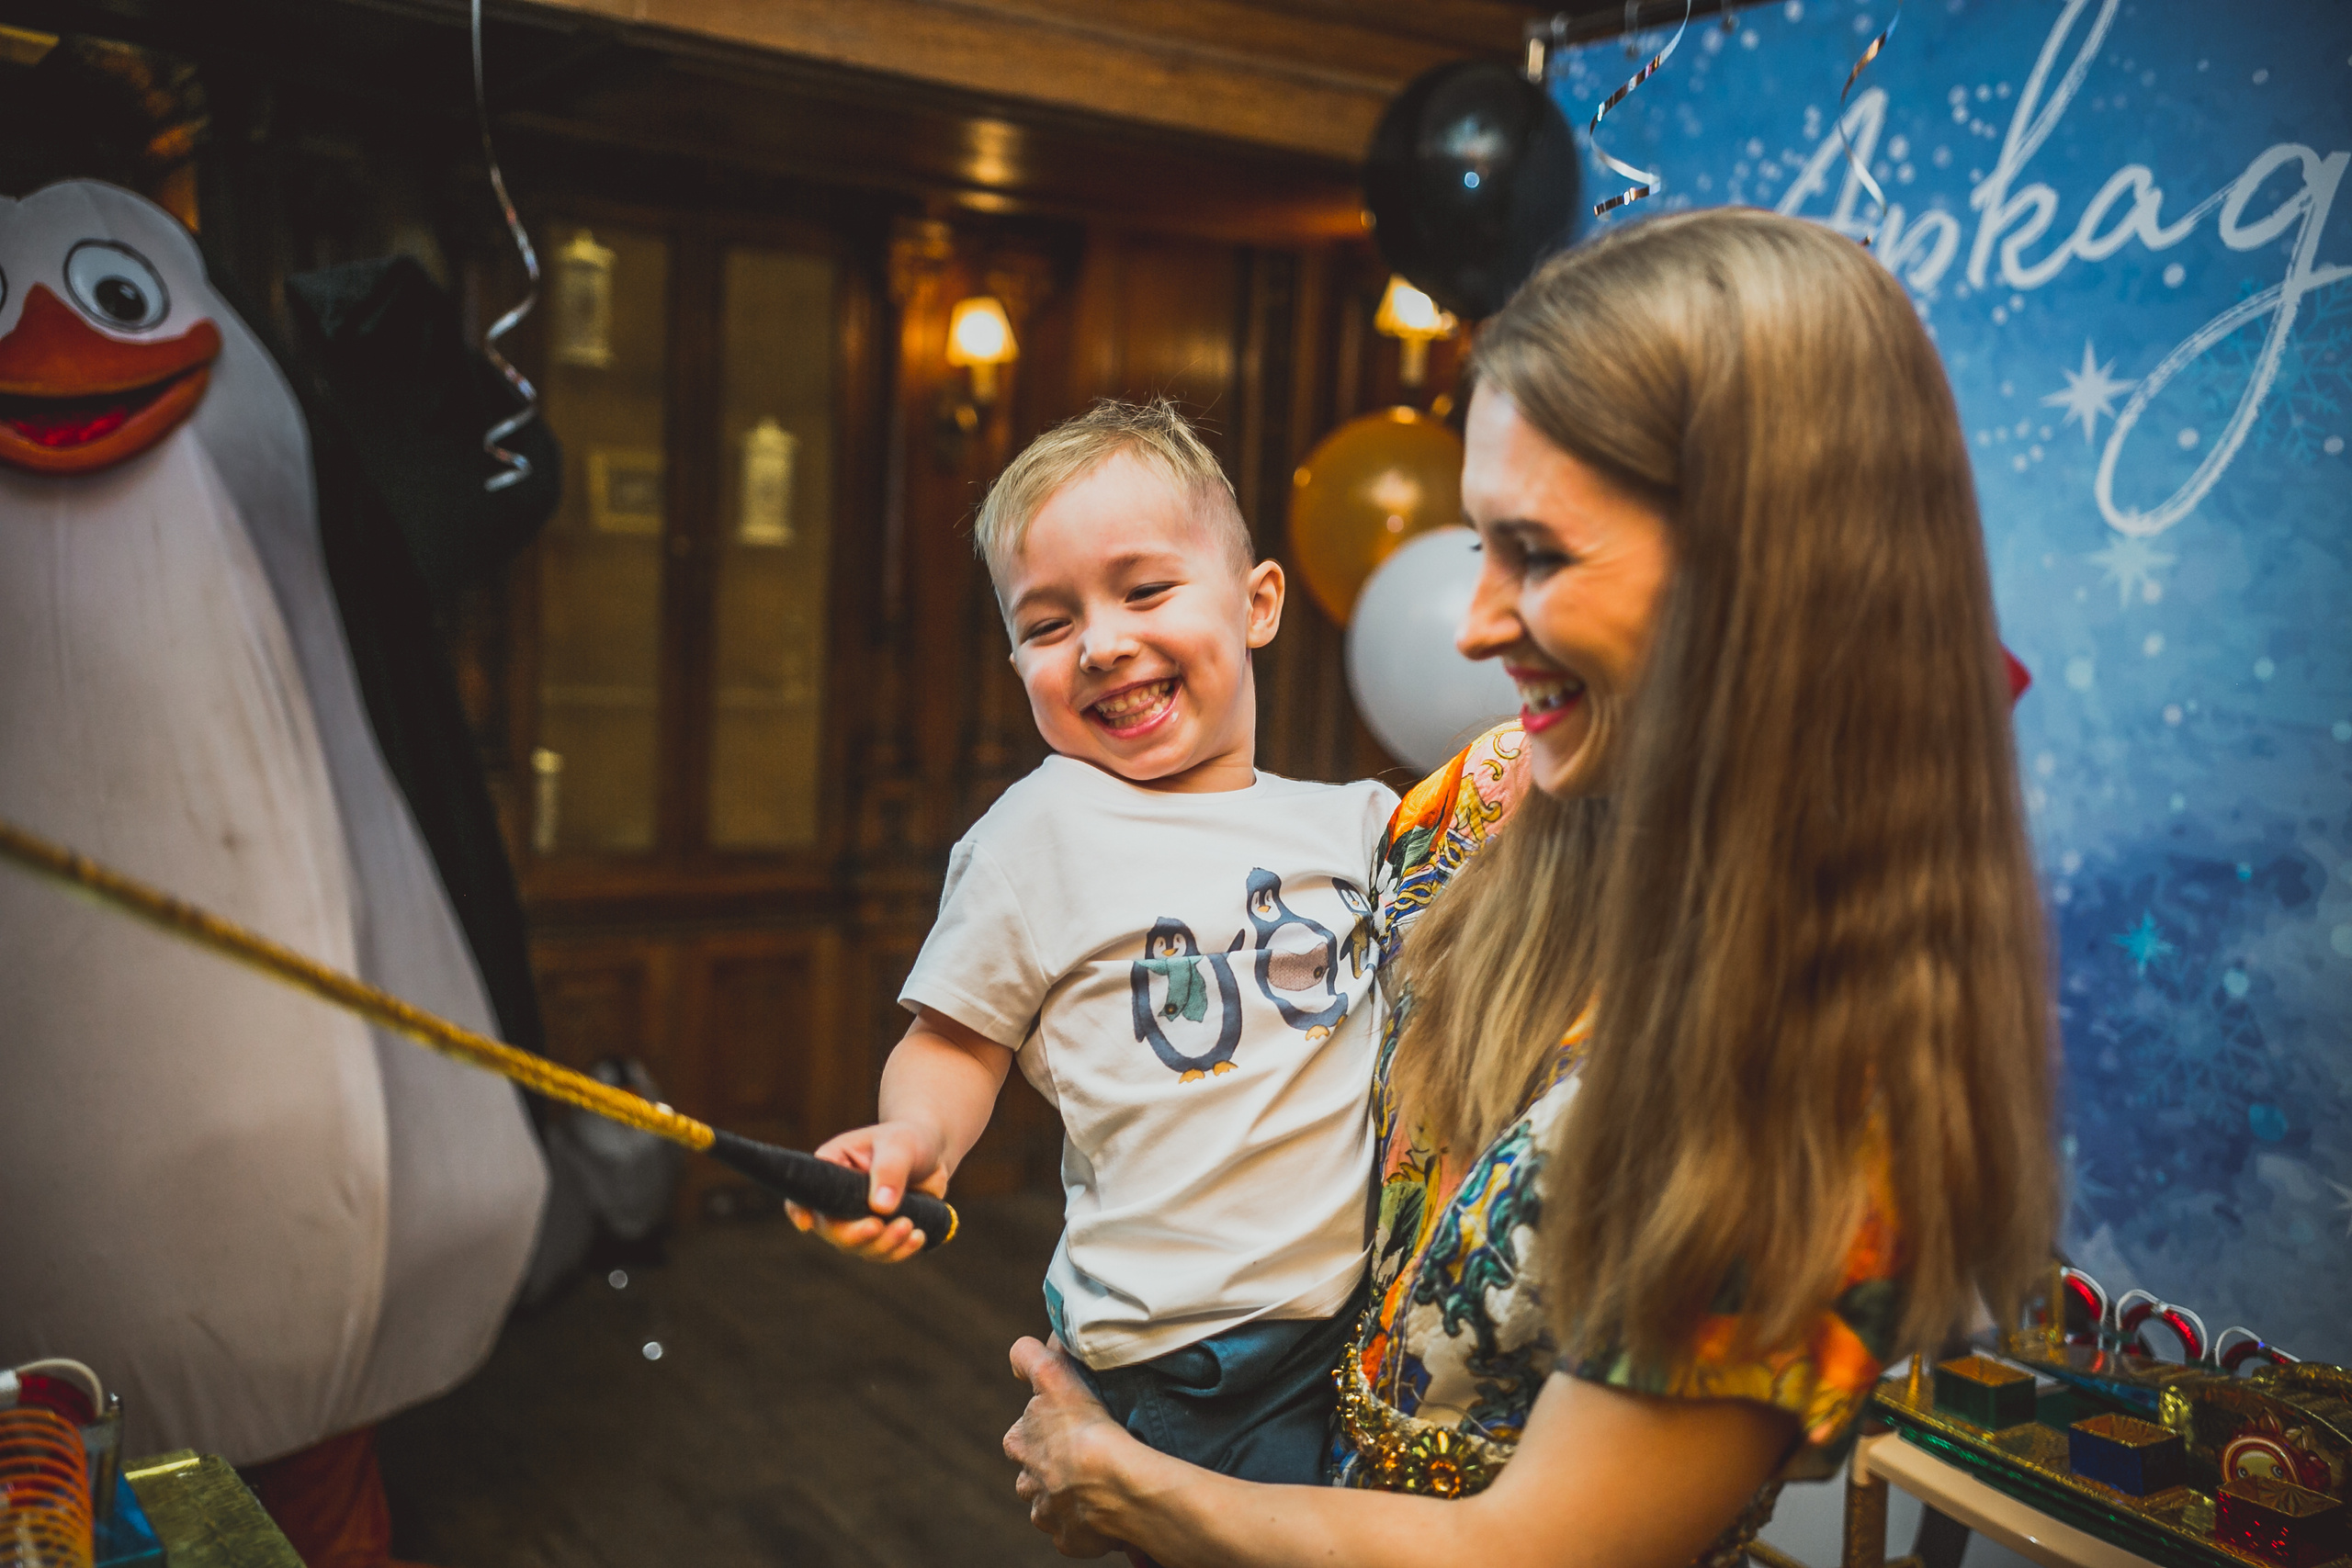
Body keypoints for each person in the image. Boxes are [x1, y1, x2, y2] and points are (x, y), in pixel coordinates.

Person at [1001, 208, 2062, 1565]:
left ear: (1763, 572)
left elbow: (1534, 1547)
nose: (1473, 618)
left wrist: (1135, 1486)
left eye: (1539, 555)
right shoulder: (1504, 796)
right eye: (1478, 542)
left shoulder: (1835, 1067)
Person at [794, 400, 1398, 1491]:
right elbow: (954, 1041)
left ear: (1258, 603)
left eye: (1146, 589)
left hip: (1370, 1312)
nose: (1104, 643)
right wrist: (912, 1141)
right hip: (1192, 1352)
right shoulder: (1040, 836)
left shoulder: (1356, 824)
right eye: (1048, 623)